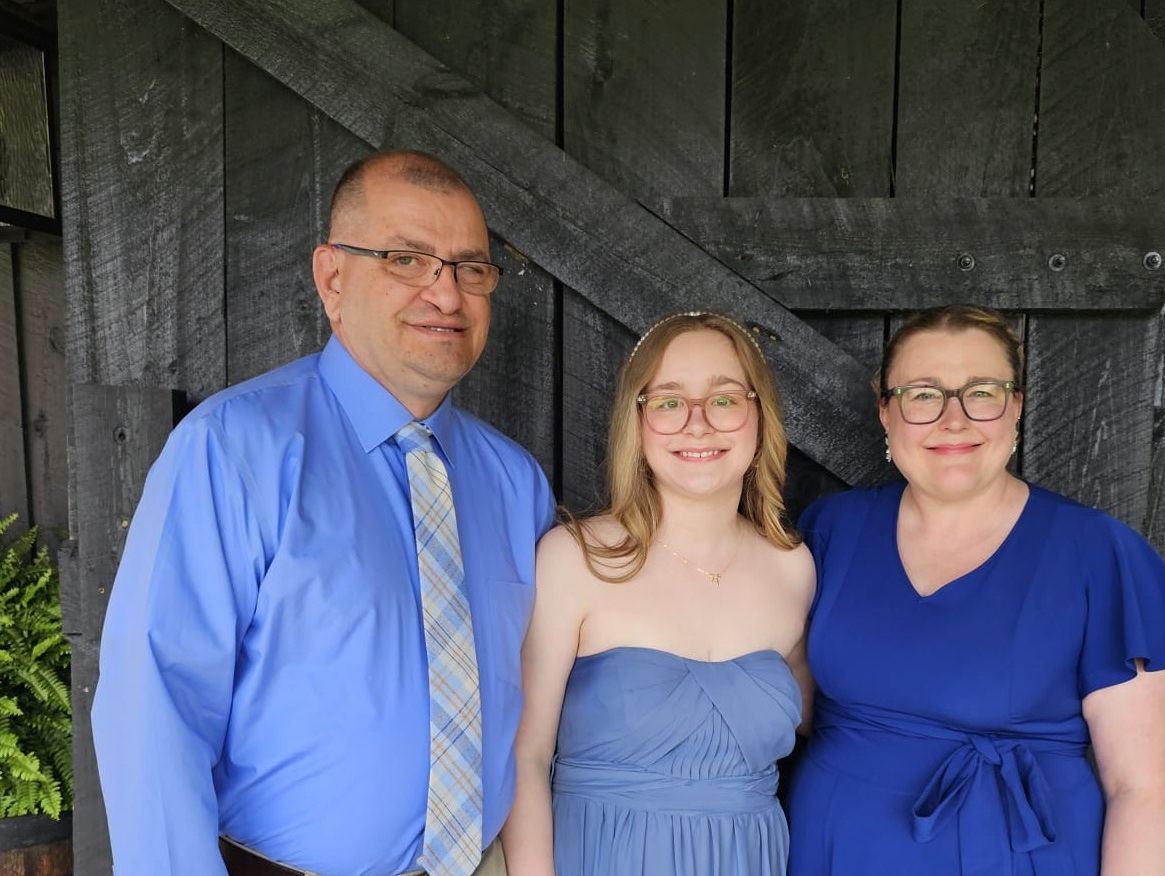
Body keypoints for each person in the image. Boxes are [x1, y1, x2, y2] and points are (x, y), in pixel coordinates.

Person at [91, 151, 554, 876]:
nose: (448, 294)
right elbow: (155, 710)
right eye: (407, 259)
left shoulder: (516, 484)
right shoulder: (231, 450)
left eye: (470, 268)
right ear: (332, 277)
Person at [785, 304, 1165, 875]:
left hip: (1019, 855)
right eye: (923, 394)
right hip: (837, 848)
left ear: (1015, 406)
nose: (954, 419)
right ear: (886, 413)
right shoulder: (831, 531)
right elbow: (784, 704)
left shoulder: (1097, 553)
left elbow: (1139, 790)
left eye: (982, 391)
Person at [500, 312, 815, 876]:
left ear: (758, 415)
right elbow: (525, 756)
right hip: (603, 855)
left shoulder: (792, 567)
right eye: (668, 401)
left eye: (724, 399)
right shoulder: (575, 558)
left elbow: (828, 718)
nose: (697, 424)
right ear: (637, 421)